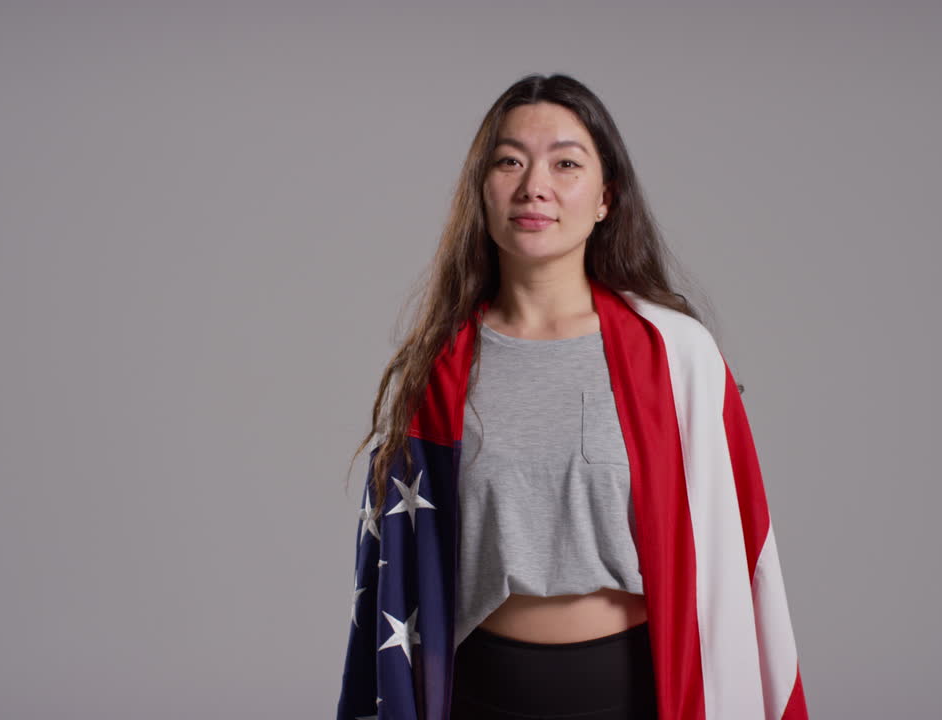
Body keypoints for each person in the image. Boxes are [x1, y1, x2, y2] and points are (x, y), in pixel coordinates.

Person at [337, 73, 808, 720]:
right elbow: (405, 572)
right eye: (509, 161)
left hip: (634, 692)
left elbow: (731, 553)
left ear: (605, 197)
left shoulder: (675, 356)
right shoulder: (438, 370)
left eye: (565, 163)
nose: (535, 185)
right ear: (482, 189)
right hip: (476, 692)